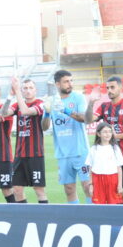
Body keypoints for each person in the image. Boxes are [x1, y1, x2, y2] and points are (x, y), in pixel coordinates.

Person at [84, 76, 123, 204]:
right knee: (116, 191)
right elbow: (89, 120)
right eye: (107, 88)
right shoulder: (104, 107)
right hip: (110, 159)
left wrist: (115, 136)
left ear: (120, 88)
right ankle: (122, 220)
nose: (109, 90)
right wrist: (91, 102)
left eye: (112, 87)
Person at [44, 69, 91, 204]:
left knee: (88, 187)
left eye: (71, 81)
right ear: (57, 84)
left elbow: (85, 118)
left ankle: (92, 218)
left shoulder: (78, 98)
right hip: (63, 154)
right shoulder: (51, 101)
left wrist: (65, 110)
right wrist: (47, 113)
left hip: (80, 151)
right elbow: (45, 127)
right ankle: (76, 218)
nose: (70, 84)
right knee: (69, 189)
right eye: (66, 81)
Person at [3, 77, 48, 203]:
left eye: (31, 88)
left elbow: (26, 111)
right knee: (17, 189)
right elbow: (3, 113)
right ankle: (24, 218)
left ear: (36, 90)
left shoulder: (40, 104)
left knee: (38, 189)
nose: (28, 91)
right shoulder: (17, 104)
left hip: (35, 154)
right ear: (22, 91)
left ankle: (44, 219)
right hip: (19, 155)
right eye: (25, 88)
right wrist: (9, 96)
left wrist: (17, 91)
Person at [84, 122, 123, 204]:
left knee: (114, 204)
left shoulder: (115, 148)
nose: (108, 134)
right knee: (99, 205)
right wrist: (91, 185)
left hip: (112, 179)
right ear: (99, 134)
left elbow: (119, 168)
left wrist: (120, 184)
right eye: (105, 132)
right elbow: (90, 168)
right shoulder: (94, 149)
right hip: (98, 180)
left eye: (110, 131)